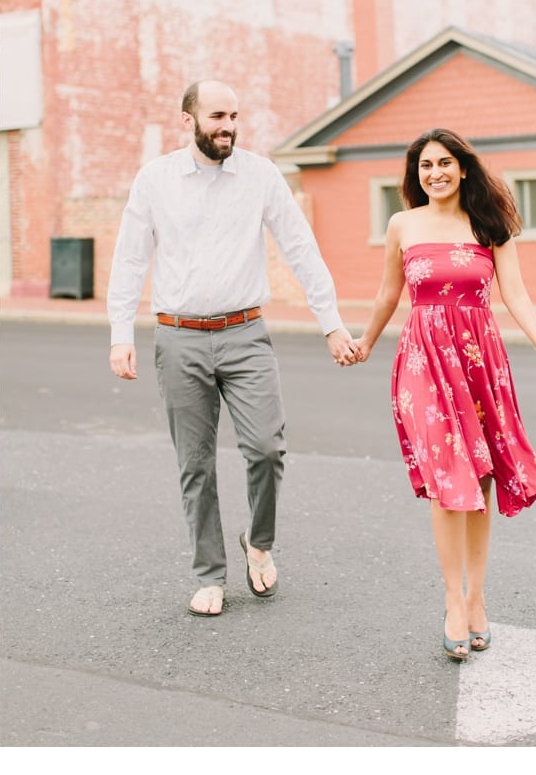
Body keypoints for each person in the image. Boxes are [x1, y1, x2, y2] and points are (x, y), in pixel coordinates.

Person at [107, 80, 358, 618]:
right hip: (178, 336)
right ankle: (209, 574)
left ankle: (259, 543)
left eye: (234, 116)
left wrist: (332, 325)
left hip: (246, 334)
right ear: (188, 119)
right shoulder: (154, 180)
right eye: (217, 115)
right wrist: (120, 334)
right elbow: (130, 259)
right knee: (194, 465)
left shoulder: (261, 176)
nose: (228, 125)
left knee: (267, 447)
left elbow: (300, 247)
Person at [350, 128, 536, 661]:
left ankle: (477, 596)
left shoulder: (489, 224)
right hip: (423, 359)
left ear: (463, 168)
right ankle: (451, 602)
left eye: (444, 163)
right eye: (425, 166)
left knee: (481, 475)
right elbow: (388, 293)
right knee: (447, 478)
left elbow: (514, 292)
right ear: (415, 175)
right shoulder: (403, 224)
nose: (435, 173)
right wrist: (364, 343)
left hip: (479, 360)